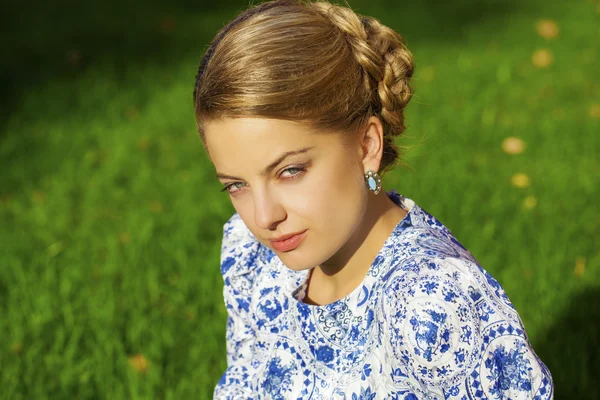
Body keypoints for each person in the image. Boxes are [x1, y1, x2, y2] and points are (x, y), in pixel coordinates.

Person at [193, 0, 554, 398]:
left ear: (367, 145)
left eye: (290, 171)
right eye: (236, 185)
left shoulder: (430, 306)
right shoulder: (253, 254)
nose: (263, 217)